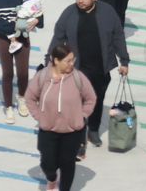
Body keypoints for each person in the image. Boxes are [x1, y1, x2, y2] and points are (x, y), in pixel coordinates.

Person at [48, 0, 131, 157]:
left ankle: (93, 130)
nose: (80, 1)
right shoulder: (69, 13)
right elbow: (58, 37)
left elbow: (118, 36)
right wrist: (51, 59)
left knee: (97, 101)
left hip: (101, 69)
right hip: (77, 70)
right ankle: (79, 141)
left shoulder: (107, 12)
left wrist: (124, 61)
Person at [23, 42, 96, 191]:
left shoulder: (78, 77)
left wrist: (82, 116)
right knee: (47, 163)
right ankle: (52, 178)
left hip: (72, 131)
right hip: (48, 130)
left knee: (67, 163)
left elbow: (91, 98)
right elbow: (30, 97)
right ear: (56, 60)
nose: (72, 64)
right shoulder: (42, 76)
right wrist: (39, 116)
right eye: (68, 61)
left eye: (73, 60)